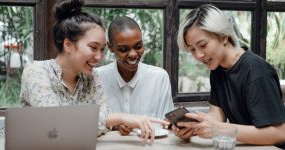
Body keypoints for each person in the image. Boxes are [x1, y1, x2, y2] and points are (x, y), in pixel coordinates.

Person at [20, 0, 168, 144]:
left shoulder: (92, 77)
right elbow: (55, 124)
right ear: (68, 45)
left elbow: (102, 127)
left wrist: (106, 122)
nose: (99, 57)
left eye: (102, 49)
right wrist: (120, 118)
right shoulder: (36, 72)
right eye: (93, 48)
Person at [175, 4, 285, 148]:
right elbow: (217, 114)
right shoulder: (217, 69)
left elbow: (280, 133)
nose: (199, 55)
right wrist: (195, 127)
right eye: (192, 50)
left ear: (224, 36)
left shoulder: (256, 71)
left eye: (203, 45)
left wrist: (221, 130)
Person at [96, 16, 174, 135]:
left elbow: (166, 124)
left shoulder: (159, 77)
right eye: (123, 49)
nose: (133, 54)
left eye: (138, 47)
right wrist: (114, 125)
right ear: (110, 47)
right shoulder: (97, 78)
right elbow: (88, 123)